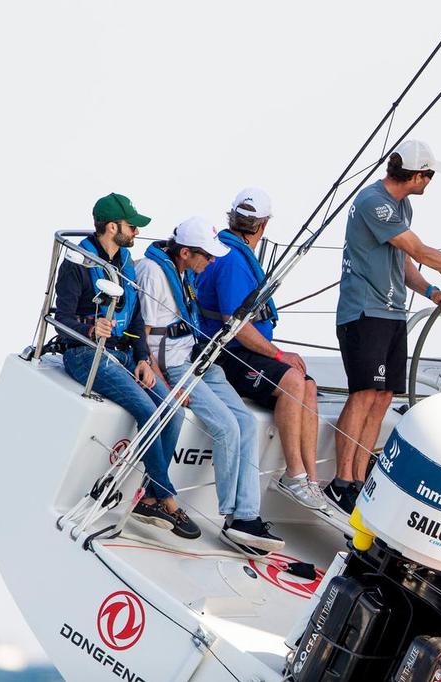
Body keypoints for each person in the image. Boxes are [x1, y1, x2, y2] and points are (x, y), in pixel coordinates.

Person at [329, 140, 441, 517]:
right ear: (417, 175)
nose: (431, 181)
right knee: (364, 393)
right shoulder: (373, 202)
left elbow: (403, 259)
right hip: (365, 311)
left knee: (382, 397)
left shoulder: (401, 206)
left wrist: (431, 290)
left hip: (391, 312)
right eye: (429, 175)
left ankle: (359, 480)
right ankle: (340, 482)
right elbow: (421, 252)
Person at [136, 216, 285, 555]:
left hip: (197, 361)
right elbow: (142, 335)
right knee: (228, 428)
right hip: (175, 368)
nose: (213, 262)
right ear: (186, 252)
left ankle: (245, 517)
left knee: (246, 423)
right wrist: (163, 380)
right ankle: (232, 518)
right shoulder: (152, 273)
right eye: (208, 256)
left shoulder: (185, 270)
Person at [54, 193, 199, 539]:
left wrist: (145, 360)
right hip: (86, 354)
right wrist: (90, 329)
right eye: (132, 226)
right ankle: (166, 500)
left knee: (173, 411)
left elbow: (134, 318)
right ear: (112, 227)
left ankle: (151, 496)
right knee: (149, 411)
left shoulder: (126, 261)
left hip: (125, 354)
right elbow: (61, 321)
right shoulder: (77, 262)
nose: (136, 232)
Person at [196, 188, 327, 511]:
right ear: (263, 225)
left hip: (244, 351)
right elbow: (235, 324)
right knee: (295, 381)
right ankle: (293, 476)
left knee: (307, 386)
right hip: (227, 355)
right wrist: (279, 355)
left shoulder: (230, 252)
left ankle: (311, 480)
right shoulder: (233, 262)